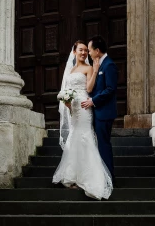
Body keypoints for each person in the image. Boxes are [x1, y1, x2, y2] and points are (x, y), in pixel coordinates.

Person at [52, 40, 113, 200]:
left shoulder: (89, 67)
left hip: (85, 106)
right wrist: (66, 102)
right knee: (75, 137)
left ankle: (89, 177)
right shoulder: (71, 70)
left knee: (85, 136)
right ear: (74, 52)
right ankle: (73, 175)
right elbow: (66, 89)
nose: (84, 52)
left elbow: (90, 88)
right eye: (81, 50)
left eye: (86, 50)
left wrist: (96, 70)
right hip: (73, 108)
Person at [81, 35, 118, 184]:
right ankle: (104, 176)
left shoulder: (109, 65)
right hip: (99, 112)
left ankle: (109, 178)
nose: (88, 53)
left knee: (103, 144)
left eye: (90, 50)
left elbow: (110, 89)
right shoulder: (100, 65)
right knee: (100, 144)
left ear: (97, 50)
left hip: (105, 113)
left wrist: (93, 101)